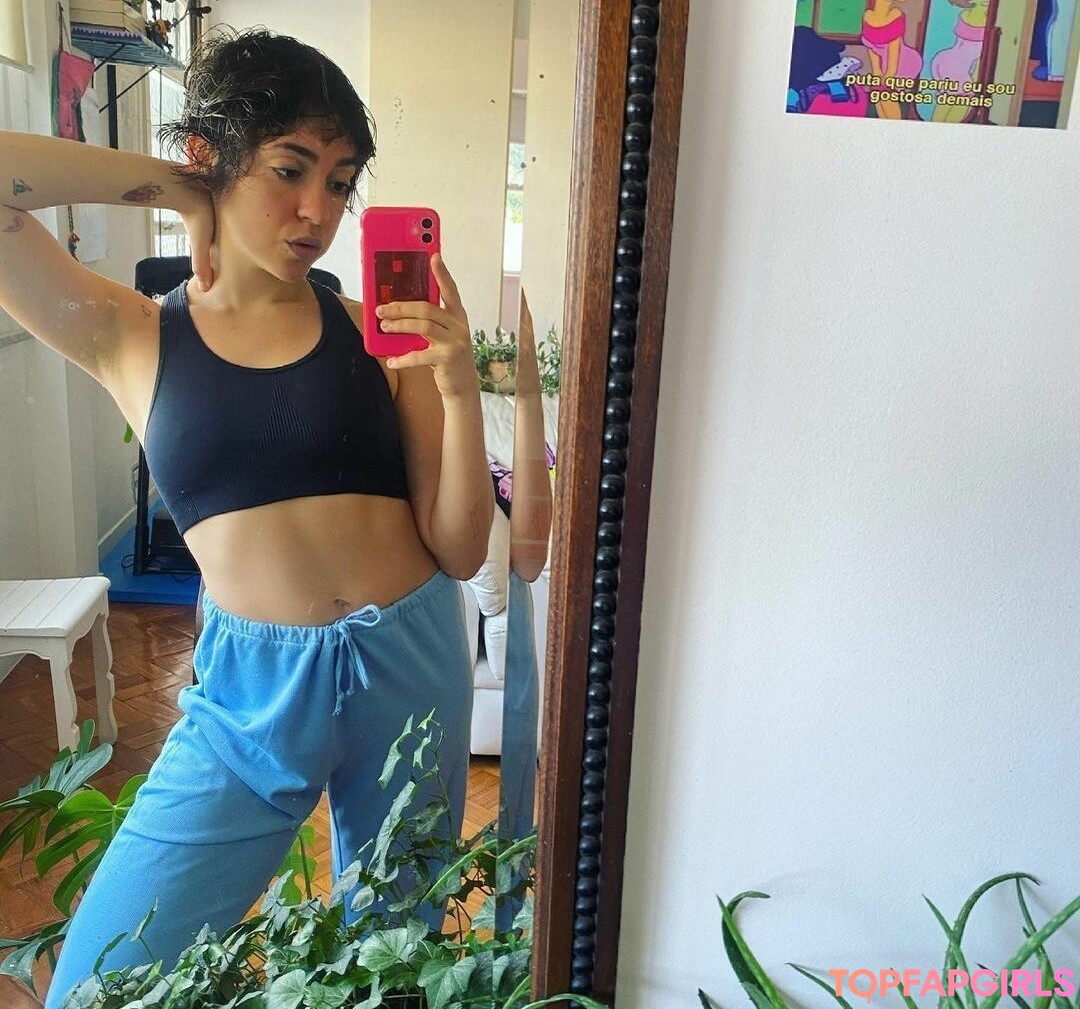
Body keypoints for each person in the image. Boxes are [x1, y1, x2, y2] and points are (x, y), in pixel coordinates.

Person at [0, 27, 493, 1008]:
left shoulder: (373, 333)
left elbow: (462, 545)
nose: (319, 211)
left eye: (340, 181)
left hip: (412, 657)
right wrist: (179, 184)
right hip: (249, 695)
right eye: (289, 169)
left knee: (397, 969)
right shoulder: (132, 334)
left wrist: (461, 385)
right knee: (102, 984)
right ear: (214, 158)